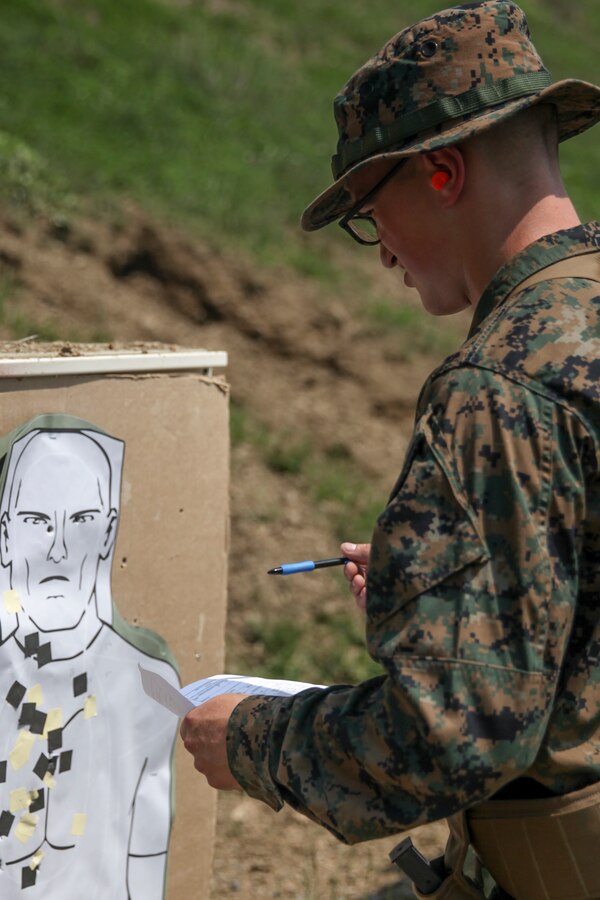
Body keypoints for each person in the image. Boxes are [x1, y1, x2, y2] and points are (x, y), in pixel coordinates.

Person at [180, 3, 600, 897]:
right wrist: (449, 588)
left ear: (442, 171)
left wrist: (254, 739)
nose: (383, 258)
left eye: (372, 215)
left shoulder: (500, 387)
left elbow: (456, 730)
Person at [0, 416, 179, 899]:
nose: (58, 548)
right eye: (37, 521)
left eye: (81, 520)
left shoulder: (149, 685)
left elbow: (146, 864)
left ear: (107, 533)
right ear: (7, 533)